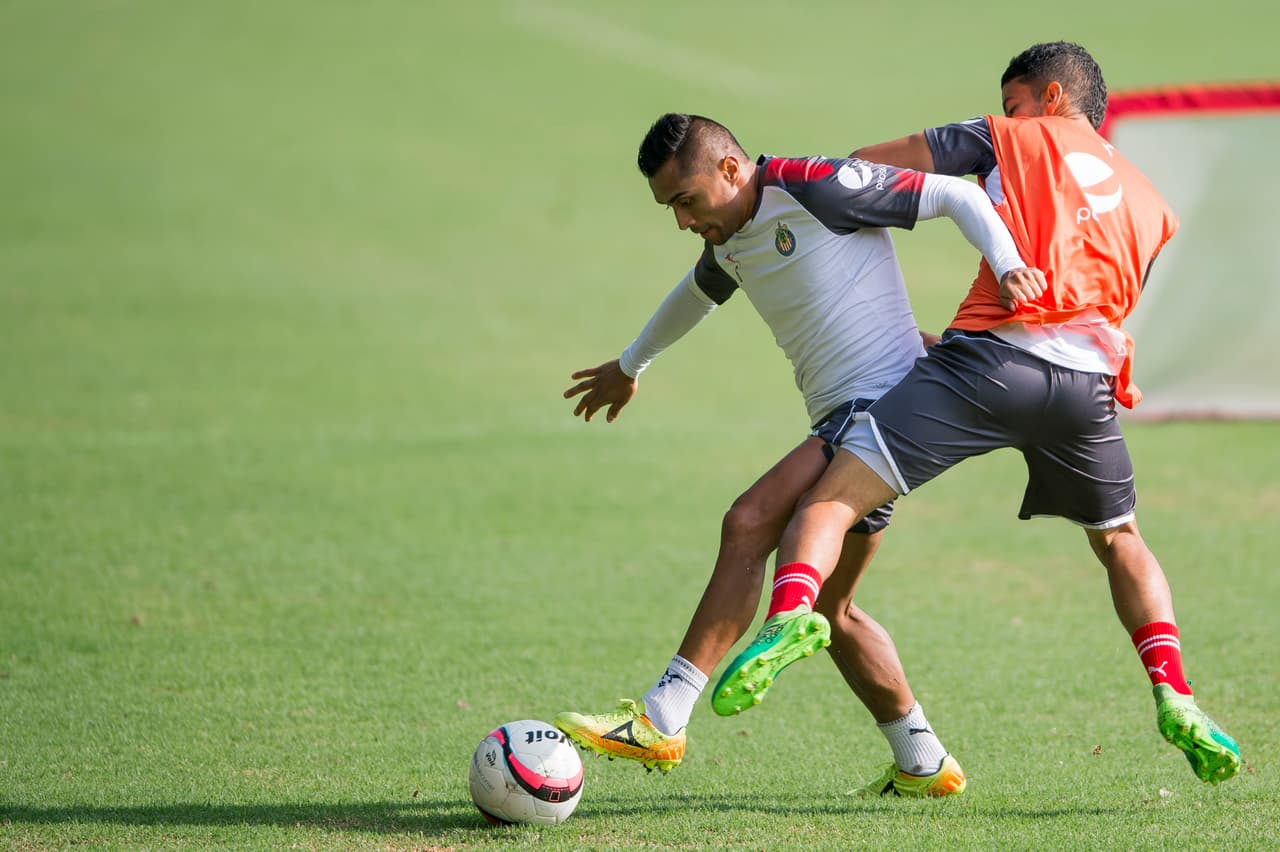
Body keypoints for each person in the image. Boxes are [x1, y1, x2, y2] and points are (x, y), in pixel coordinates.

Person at [722, 41, 1242, 793]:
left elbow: (876, 163)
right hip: (1086, 390)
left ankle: (793, 611)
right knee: (1122, 540)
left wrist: (818, 183)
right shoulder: (1153, 202)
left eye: (1017, 101)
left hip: (989, 368)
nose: (1009, 116)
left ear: (1054, 97)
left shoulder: (1007, 138)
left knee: (830, 499)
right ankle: (1176, 693)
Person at [554, 112, 1038, 790]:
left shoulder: (817, 186)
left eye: (685, 201)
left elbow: (956, 193)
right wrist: (632, 364)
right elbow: (697, 294)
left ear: (729, 168)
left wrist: (1009, 263)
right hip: (858, 423)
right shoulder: (730, 236)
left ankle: (664, 718)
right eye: (670, 209)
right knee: (831, 613)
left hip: (885, 407)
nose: (683, 222)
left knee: (749, 521)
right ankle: (923, 762)